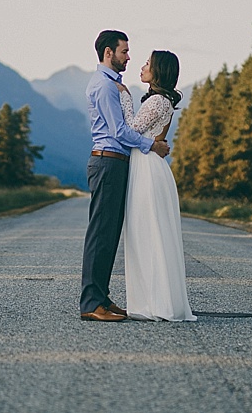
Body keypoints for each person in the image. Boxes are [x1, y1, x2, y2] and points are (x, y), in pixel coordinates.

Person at [80, 30, 170, 322]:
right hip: (107, 162)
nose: (128, 57)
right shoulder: (105, 87)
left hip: (114, 163)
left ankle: (102, 298)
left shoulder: (113, 85)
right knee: (101, 234)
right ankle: (92, 303)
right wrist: (152, 145)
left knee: (109, 234)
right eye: (124, 52)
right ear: (109, 53)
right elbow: (119, 131)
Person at [118, 50, 196, 322]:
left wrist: (124, 96)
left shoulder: (158, 101)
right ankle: (153, 301)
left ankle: (155, 303)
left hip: (148, 169)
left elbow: (129, 130)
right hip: (148, 165)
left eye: (148, 64)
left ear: (158, 71)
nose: (142, 67)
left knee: (147, 233)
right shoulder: (160, 101)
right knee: (147, 234)